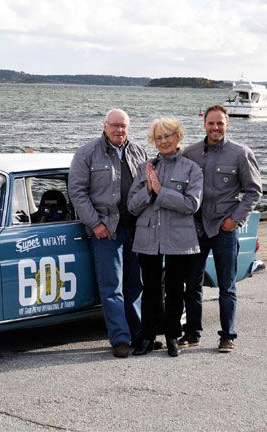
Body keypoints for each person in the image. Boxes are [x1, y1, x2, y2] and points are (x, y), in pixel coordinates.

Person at [181, 105, 262, 353]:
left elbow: (254, 191)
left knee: (227, 285)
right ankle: (192, 332)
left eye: (220, 123)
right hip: (197, 228)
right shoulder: (190, 153)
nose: (215, 128)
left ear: (227, 125)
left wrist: (235, 219)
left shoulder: (240, 153)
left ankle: (227, 336)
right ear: (204, 124)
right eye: (211, 123)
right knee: (192, 284)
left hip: (224, 228)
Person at [68, 108, 147, 358]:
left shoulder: (139, 153)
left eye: (123, 126)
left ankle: (139, 335)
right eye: (114, 125)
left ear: (128, 129)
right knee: (112, 286)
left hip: (134, 229)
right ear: (104, 126)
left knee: (136, 284)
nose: (119, 130)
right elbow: (77, 193)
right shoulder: (87, 153)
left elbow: (145, 188)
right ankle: (120, 339)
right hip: (106, 231)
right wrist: (95, 224)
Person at [127, 118, 203, 357]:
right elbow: (131, 206)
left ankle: (172, 336)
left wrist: (161, 192)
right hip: (149, 236)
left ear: (178, 136)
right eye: (158, 138)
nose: (163, 141)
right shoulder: (145, 168)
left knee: (174, 289)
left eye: (168, 136)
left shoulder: (191, 168)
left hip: (179, 238)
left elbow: (192, 204)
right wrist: (148, 191)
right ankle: (147, 338)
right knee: (149, 289)